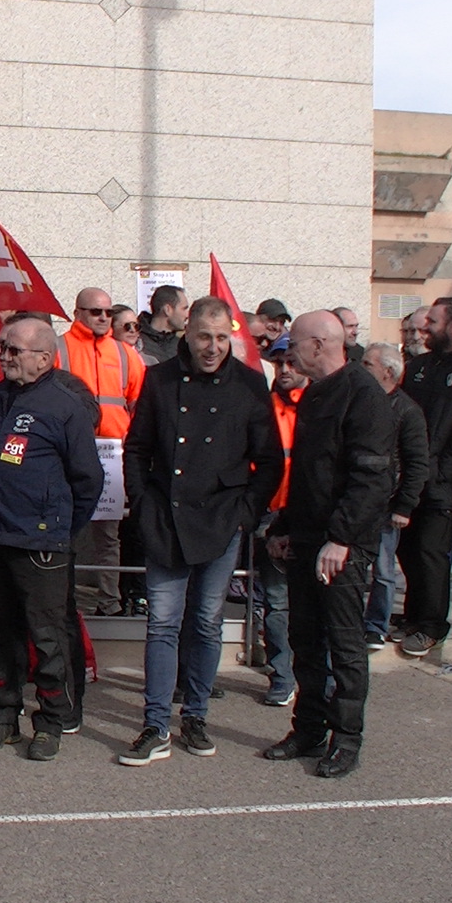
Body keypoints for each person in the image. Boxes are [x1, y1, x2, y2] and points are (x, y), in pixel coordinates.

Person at [118, 297, 282, 766]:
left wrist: (246, 512)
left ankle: (196, 716)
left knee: (207, 623)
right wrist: (142, 501)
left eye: (222, 338)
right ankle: (155, 724)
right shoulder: (161, 379)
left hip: (222, 520)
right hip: (166, 519)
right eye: (204, 337)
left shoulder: (251, 385)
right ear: (187, 335)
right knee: (163, 623)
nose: (213, 348)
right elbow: (137, 449)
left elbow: (268, 460)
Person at [261, 311, 395, 779]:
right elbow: (307, 475)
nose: (289, 352)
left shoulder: (364, 397)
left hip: (343, 545)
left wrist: (340, 539)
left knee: (344, 643)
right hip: (306, 537)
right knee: (305, 639)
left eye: (294, 343)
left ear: (319, 345)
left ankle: (347, 738)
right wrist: (283, 527)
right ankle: (308, 728)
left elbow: (371, 478)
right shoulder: (314, 395)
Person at [0, 314, 102, 761]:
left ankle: (50, 721)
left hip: (41, 544)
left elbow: (87, 481)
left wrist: (58, 528)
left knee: (47, 638)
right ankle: (3, 715)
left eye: (13, 349)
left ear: (44, 358)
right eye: (1, 346)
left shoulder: (64, 405)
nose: (2, 354)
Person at [395, 296, 452, 658]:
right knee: (408, 550)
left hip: (441, 484)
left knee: (431, 552)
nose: (425, 328)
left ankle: (431, 625)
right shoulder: (419, 368)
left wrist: (441, 473)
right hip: (409, 479)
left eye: (433, 321)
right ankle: (413, 617)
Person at [62, 287, 145, 616]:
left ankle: (109, 601)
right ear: (77, 312)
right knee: (65, 527)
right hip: (69, 451)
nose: (102, 318)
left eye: (108, 313)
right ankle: (62, 597)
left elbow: (140, 404)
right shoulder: (60, 348)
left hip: (113, 455)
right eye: (95, 312)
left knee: (108, 535)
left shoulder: (125, 355)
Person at [359, 343, 428, 649]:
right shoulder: (360, 403)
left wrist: (404, 505)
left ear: (387, 371)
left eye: (367, 364)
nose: (361, 369)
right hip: (360, 501)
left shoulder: (407, 411)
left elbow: (416, 462)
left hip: (388, 504)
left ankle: (376, 625)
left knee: (383, 570)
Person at [256, 334, 306, 706]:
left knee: (314, 600)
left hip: (308, 514)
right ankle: (282, 675)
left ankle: (316, 675)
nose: (285, 370)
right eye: (279, 363)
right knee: (276, 601)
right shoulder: (264, 407)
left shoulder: (320, 404)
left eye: (291, 362)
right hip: (272, 514)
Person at [137, 285, 187, 366]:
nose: (187, 315)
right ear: (167, 310)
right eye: (184, 308)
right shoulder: (136, 341)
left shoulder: (183, 345)